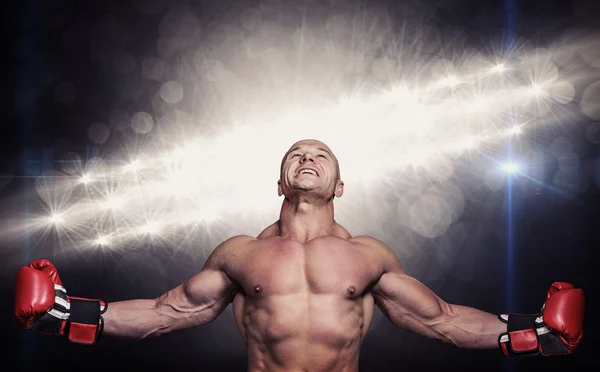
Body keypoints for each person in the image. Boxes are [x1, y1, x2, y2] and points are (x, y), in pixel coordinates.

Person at [15, 139, 585, 371]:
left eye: (321, 155)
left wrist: (534, 332)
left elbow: (442, 321)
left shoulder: (369, 255)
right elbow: (169, 313)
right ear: (280, 181)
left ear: (339, 187)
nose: (307, 158)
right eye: (296, 154)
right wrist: (68, 316)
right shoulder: (239, 253)